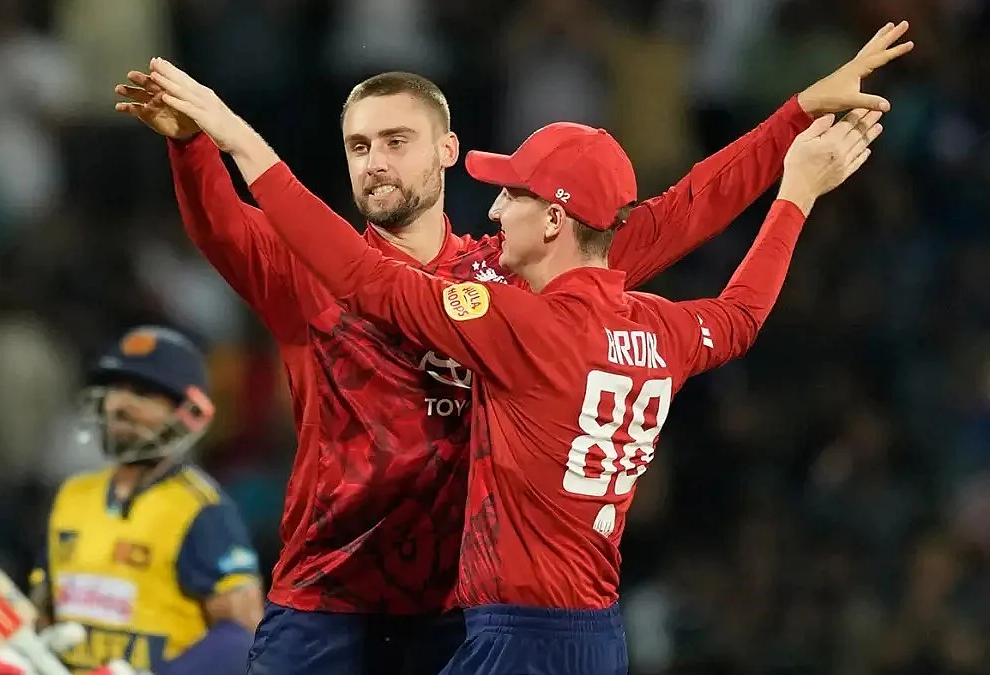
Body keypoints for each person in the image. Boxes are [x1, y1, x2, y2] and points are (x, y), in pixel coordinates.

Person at [112, 21, 910, 675]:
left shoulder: (513, 282)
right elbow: (222, 228)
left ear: (448, 152)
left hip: (458, 611)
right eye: (358, 147)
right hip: (328, 598)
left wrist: (794, 115)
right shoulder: (307, 263)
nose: (376, 161)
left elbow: (687, 207)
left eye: (396, 140)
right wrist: (191, 146)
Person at [0, 326, 264, 675]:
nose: (118, 405)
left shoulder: (201, 509)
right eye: (115, 388)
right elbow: (43, 615)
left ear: (187, 411)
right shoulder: (72, 496)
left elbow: (244, 637)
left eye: (142, 392)